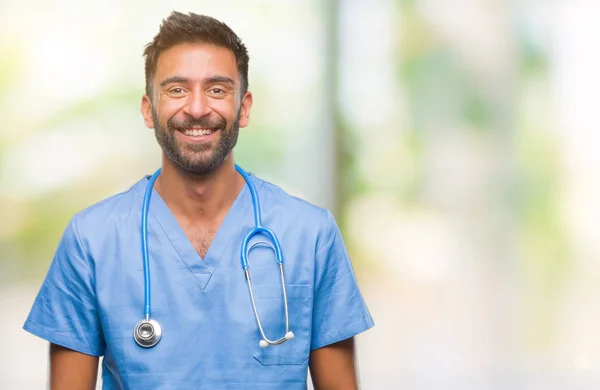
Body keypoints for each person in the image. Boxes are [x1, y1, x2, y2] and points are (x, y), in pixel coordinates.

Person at [23, 11, 374, 390]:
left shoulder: (310, 235)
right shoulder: (91, 240)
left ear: (244, 107)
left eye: (217, 89)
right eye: (176, 89)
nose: (196, 108)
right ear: (148, 109)